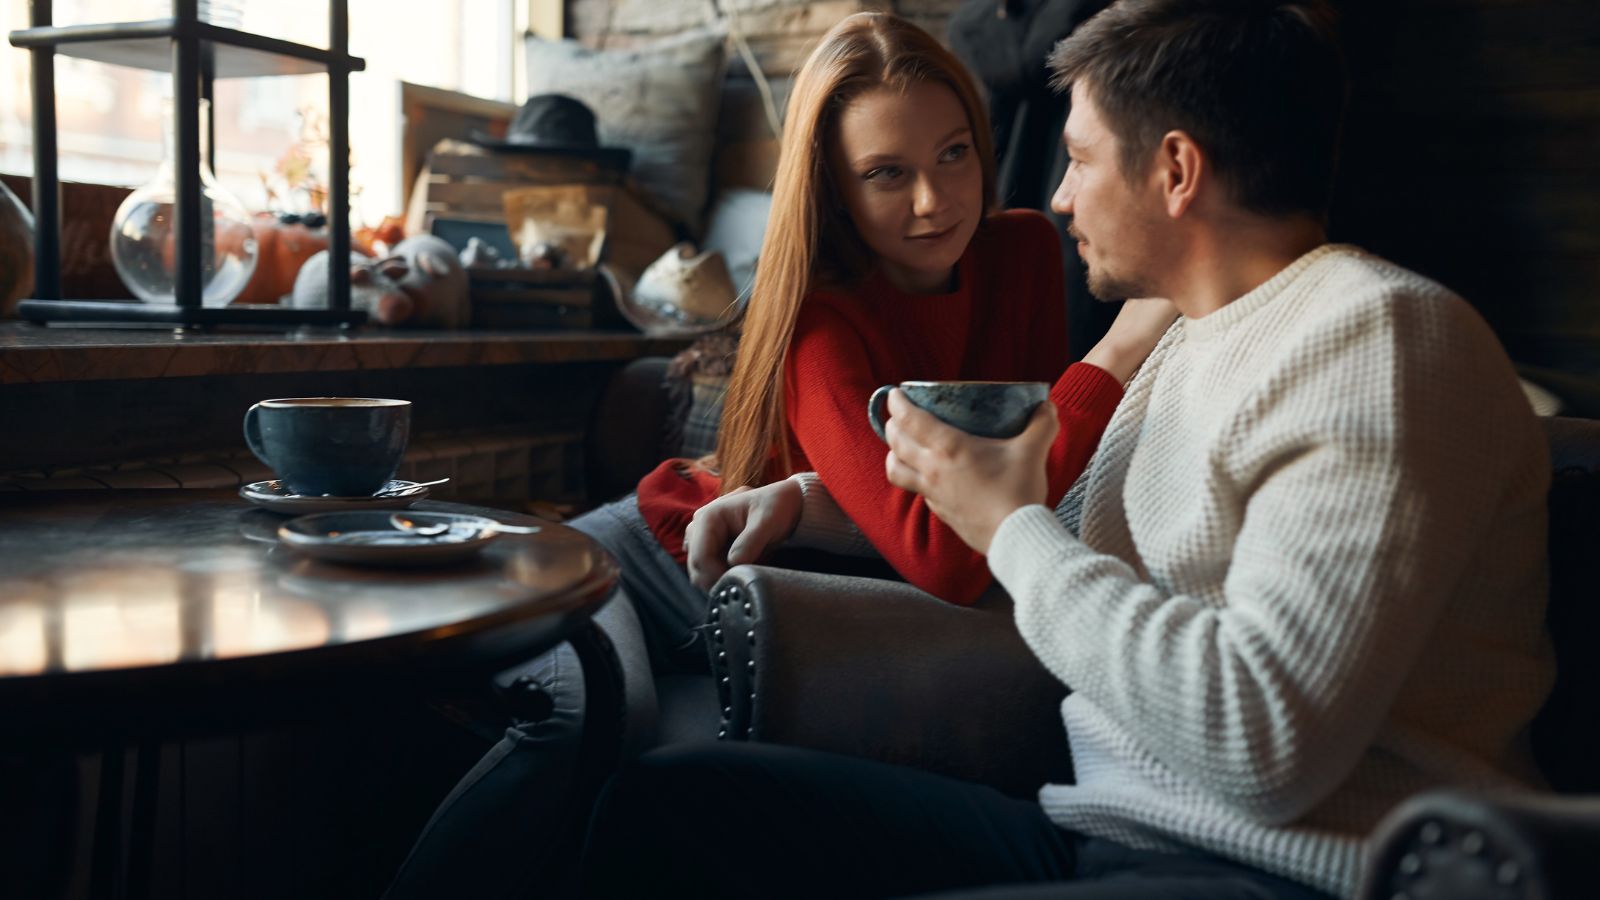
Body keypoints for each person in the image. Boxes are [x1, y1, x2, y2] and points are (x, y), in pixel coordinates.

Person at [579, 1, 1556, 898]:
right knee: (668, 807)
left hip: (1281, 866)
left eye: (1080, 159)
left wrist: (1009, 524)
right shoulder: (1193, 338)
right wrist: (807, 503)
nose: (1053, 197)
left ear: (1173, 171)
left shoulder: (1373, 340)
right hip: (1105, 825)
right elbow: (1042, 506)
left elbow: (1264, 745)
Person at [385, 13, 1175, 898]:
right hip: (631, 562)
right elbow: (949, 551)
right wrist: (1114, 353)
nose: (934, 200)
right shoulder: (820, 321)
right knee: (583, 719)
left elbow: (1021, 487)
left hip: (769, 574)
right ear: (833, 190)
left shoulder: (1023, 250)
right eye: (887, 174)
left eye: (954, 154)